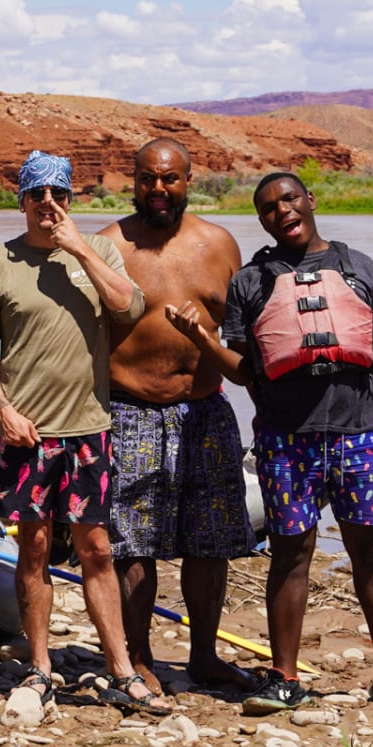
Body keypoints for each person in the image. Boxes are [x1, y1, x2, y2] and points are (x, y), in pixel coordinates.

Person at [166, 171, 373, 714]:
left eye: (289, 199)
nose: (282, 210)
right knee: (290, 554)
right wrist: (200, 338)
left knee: (371, 551)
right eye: (268, 207)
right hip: (286, 441)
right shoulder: (250, 281)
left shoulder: (358, 267)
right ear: (262, 219)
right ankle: (284, 677)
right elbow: (243, 371)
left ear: (309, 200)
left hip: (361, 434)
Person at [0, 151, 165, 717]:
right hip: (25, 435)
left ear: (71, 199)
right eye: (37, 194)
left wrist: (77, 247)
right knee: (32, 549)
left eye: (58, 194)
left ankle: (121, 670)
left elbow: (129, 308)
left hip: (88, 430)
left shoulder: (98, 250)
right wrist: (3, 409)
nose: (48, 204)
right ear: (22, 200)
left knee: (96, 549)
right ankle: (39, 667)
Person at [95, 139, 259, 701]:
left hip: (205, 410)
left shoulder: (220, 244)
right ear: (133, 181)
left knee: (209, 541)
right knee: (132, 543)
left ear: (189, 180)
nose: (158, 189)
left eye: (169, 179)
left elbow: (248, 336)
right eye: (147, 179)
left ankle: (204, 655)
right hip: (129, 410)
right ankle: (138, 657)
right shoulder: (108, 245)